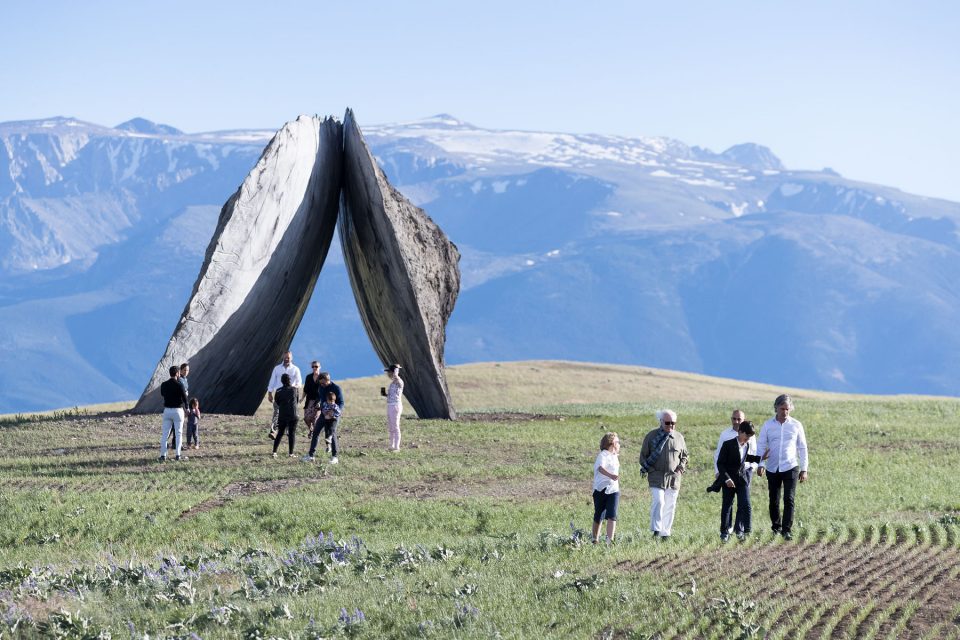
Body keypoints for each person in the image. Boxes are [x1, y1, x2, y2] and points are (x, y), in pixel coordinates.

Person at [756, 394, 809, 540]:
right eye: (782, 408)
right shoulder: (768, 425)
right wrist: (760, 464)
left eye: (787, 409)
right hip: (772, 467)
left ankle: (787, 529)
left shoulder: (796, 425)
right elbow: (761, 446)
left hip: (791, 466)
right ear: (776, 408)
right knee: (774, 499)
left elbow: (802, 447)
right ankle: (776, 527)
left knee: (789, 498)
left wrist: (804, 468)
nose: (785, 412)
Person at [639, 409, 689, 540]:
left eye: (673, 423)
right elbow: (643, 456)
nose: (671, 426)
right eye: (668, 423)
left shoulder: (679, 437)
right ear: (661, 422)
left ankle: (665, 533)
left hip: (674, 477)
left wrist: (681, 467)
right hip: (656, 476)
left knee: (670, 504)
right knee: (659, 501)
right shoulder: (651, 436)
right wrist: (650, 470)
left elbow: (684, 456)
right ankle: (656, 530)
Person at [715, 420, 758, 542]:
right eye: (747, 435)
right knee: (727, 505)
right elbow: (720, 463)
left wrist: (761, 459)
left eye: (750, 436)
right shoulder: (728, 444)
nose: (749, 438)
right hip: (729, 479)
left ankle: (747, 531)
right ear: (740, 432)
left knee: (746, 504)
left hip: (742, 479)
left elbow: (747, 459)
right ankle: (724, 532)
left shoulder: (747, 445)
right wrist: (727, 478)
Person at [592, 432, 621, 544]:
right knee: (599, 514)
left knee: (612, 515)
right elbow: (600, 468)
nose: (619, 444)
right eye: (618, 442)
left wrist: (613, 478)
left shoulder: (615, 456)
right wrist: (611, 475)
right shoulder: (603, 455)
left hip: (613, 489)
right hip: (600, 489)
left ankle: (610, 541)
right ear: (612, 443)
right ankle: (595, 539)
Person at [267, 351, 301, 439]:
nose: (286, 359)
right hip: (280, 394)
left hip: (291, 395)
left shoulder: (295, 369)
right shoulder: (277, 368)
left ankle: (287, 430)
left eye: (288, 358)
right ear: (283, 357)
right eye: (285, 357)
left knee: (290, 414)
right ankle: (273, 430)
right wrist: (270, 393)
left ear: (291, 358)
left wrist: (292, 388)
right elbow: (272, 380)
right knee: (277, 412)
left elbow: (299, 383)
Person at [159, 365, 189, 462]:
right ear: (177, 373)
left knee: (165, 434)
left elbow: (163, 394)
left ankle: (163, 455)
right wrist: (187, 408)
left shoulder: (164, 384)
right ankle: (178, 455)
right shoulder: (180, 384)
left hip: (167, 410)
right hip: (178, 410)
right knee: (179, 433)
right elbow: (185, 398)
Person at [304, 390, 342, 464]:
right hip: (325, 418)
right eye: (329, 401)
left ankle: (330, 440)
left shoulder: (335, 406)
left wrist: (332, 415)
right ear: (327, 400)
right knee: (317, 432)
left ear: (334, 400)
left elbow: (338, 412)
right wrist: (325, 414)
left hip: (333, 419)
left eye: (332, 401)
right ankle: (311, 455)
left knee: (332, 430)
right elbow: (323, 409)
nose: (331, 403)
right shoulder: (325, 403)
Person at [271, 373, 299, 457]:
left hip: (282, 415)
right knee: (292, 434)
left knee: (280, 433)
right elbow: (296, 401)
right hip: (293, 415)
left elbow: (277, 402)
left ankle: (274, 452)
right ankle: (291, 453)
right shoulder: (294, 389)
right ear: (290, 380)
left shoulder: (278, 390)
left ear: (281, 381)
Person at [318, 372, 344, 453]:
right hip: (324, 413)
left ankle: (335, 454)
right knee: (326, 430)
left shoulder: (336, 388)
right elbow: (322, 400)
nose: (321, 384)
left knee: (332, 431)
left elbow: (341, 402)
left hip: (334, 414)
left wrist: (333, 412)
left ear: (327, 380)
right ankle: (328, 446)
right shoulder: (321, 388)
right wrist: (322, 409)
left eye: (323, 383)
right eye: (320, 383)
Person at [169, 362, 191, 450]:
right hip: (179, 405)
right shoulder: (180, 380)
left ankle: (175, 443)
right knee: (178, 425)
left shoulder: (185, 379)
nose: (186, 371)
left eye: (188, 370)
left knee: (177, 425)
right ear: (180, 371)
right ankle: (177, 444)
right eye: (184, 370)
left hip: (181, 403)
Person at [384, 364, 404, 451]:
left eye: (389, 372)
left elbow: (396, 377)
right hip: (390, 405)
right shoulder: (393, 383)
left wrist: (396, 369)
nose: (388, 374)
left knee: (395, 426)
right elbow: (394, 394)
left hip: (395, 405)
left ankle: (396, 447)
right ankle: (391, 446)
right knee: (391, 427)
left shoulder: (399, 381)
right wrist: (386, 395)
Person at [302, 361, 323, 438]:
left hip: (319, 400)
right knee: (306, 418)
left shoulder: (322, 377)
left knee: (315, 419)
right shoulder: (308, 377)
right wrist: (302, 398)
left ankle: (314, 434)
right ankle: (312, 430)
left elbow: (324, 389)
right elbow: (305, 389)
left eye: (316, 366)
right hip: (309, 400)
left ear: (319, 367)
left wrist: (321, 401)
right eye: (313, 367)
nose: (314, 368)